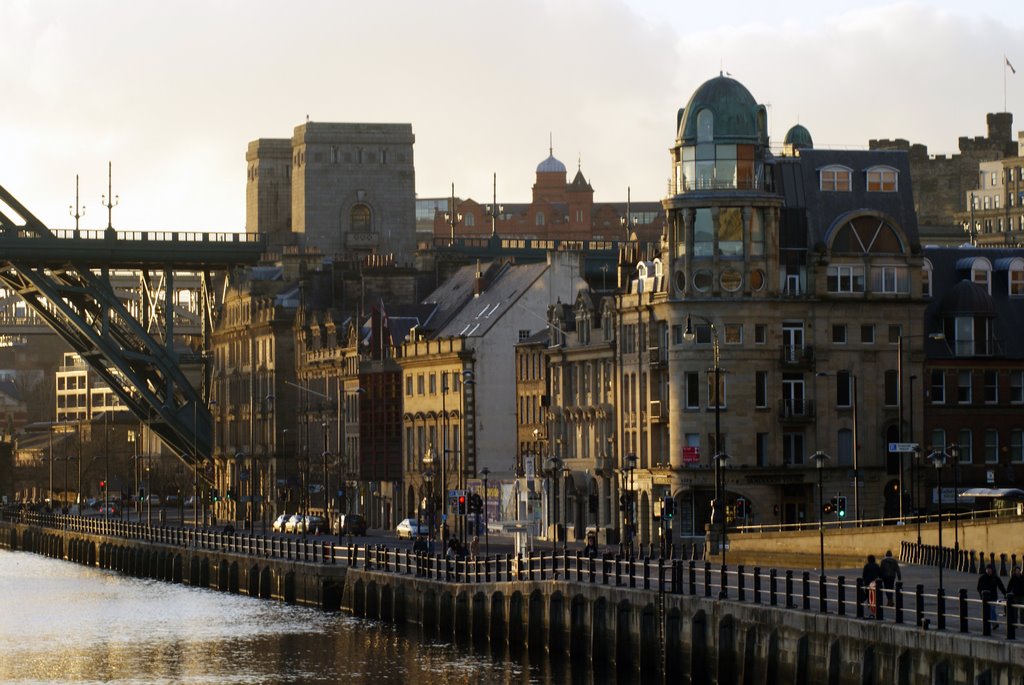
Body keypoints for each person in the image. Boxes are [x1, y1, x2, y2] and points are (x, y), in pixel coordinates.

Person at [978, 563, 1007, 630]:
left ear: (992, 570)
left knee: (992, 610)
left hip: (993, 597)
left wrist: (1005, 594)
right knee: (987, 611)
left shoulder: (995, 578)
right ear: (985, 570)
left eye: (990, 569)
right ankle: (990, 624)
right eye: (987, 569)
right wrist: (981, 594)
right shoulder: (982, 578)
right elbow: (978, 588)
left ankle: (994, 624)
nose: (989, 571)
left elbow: (1001, 586)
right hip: (985, 598)